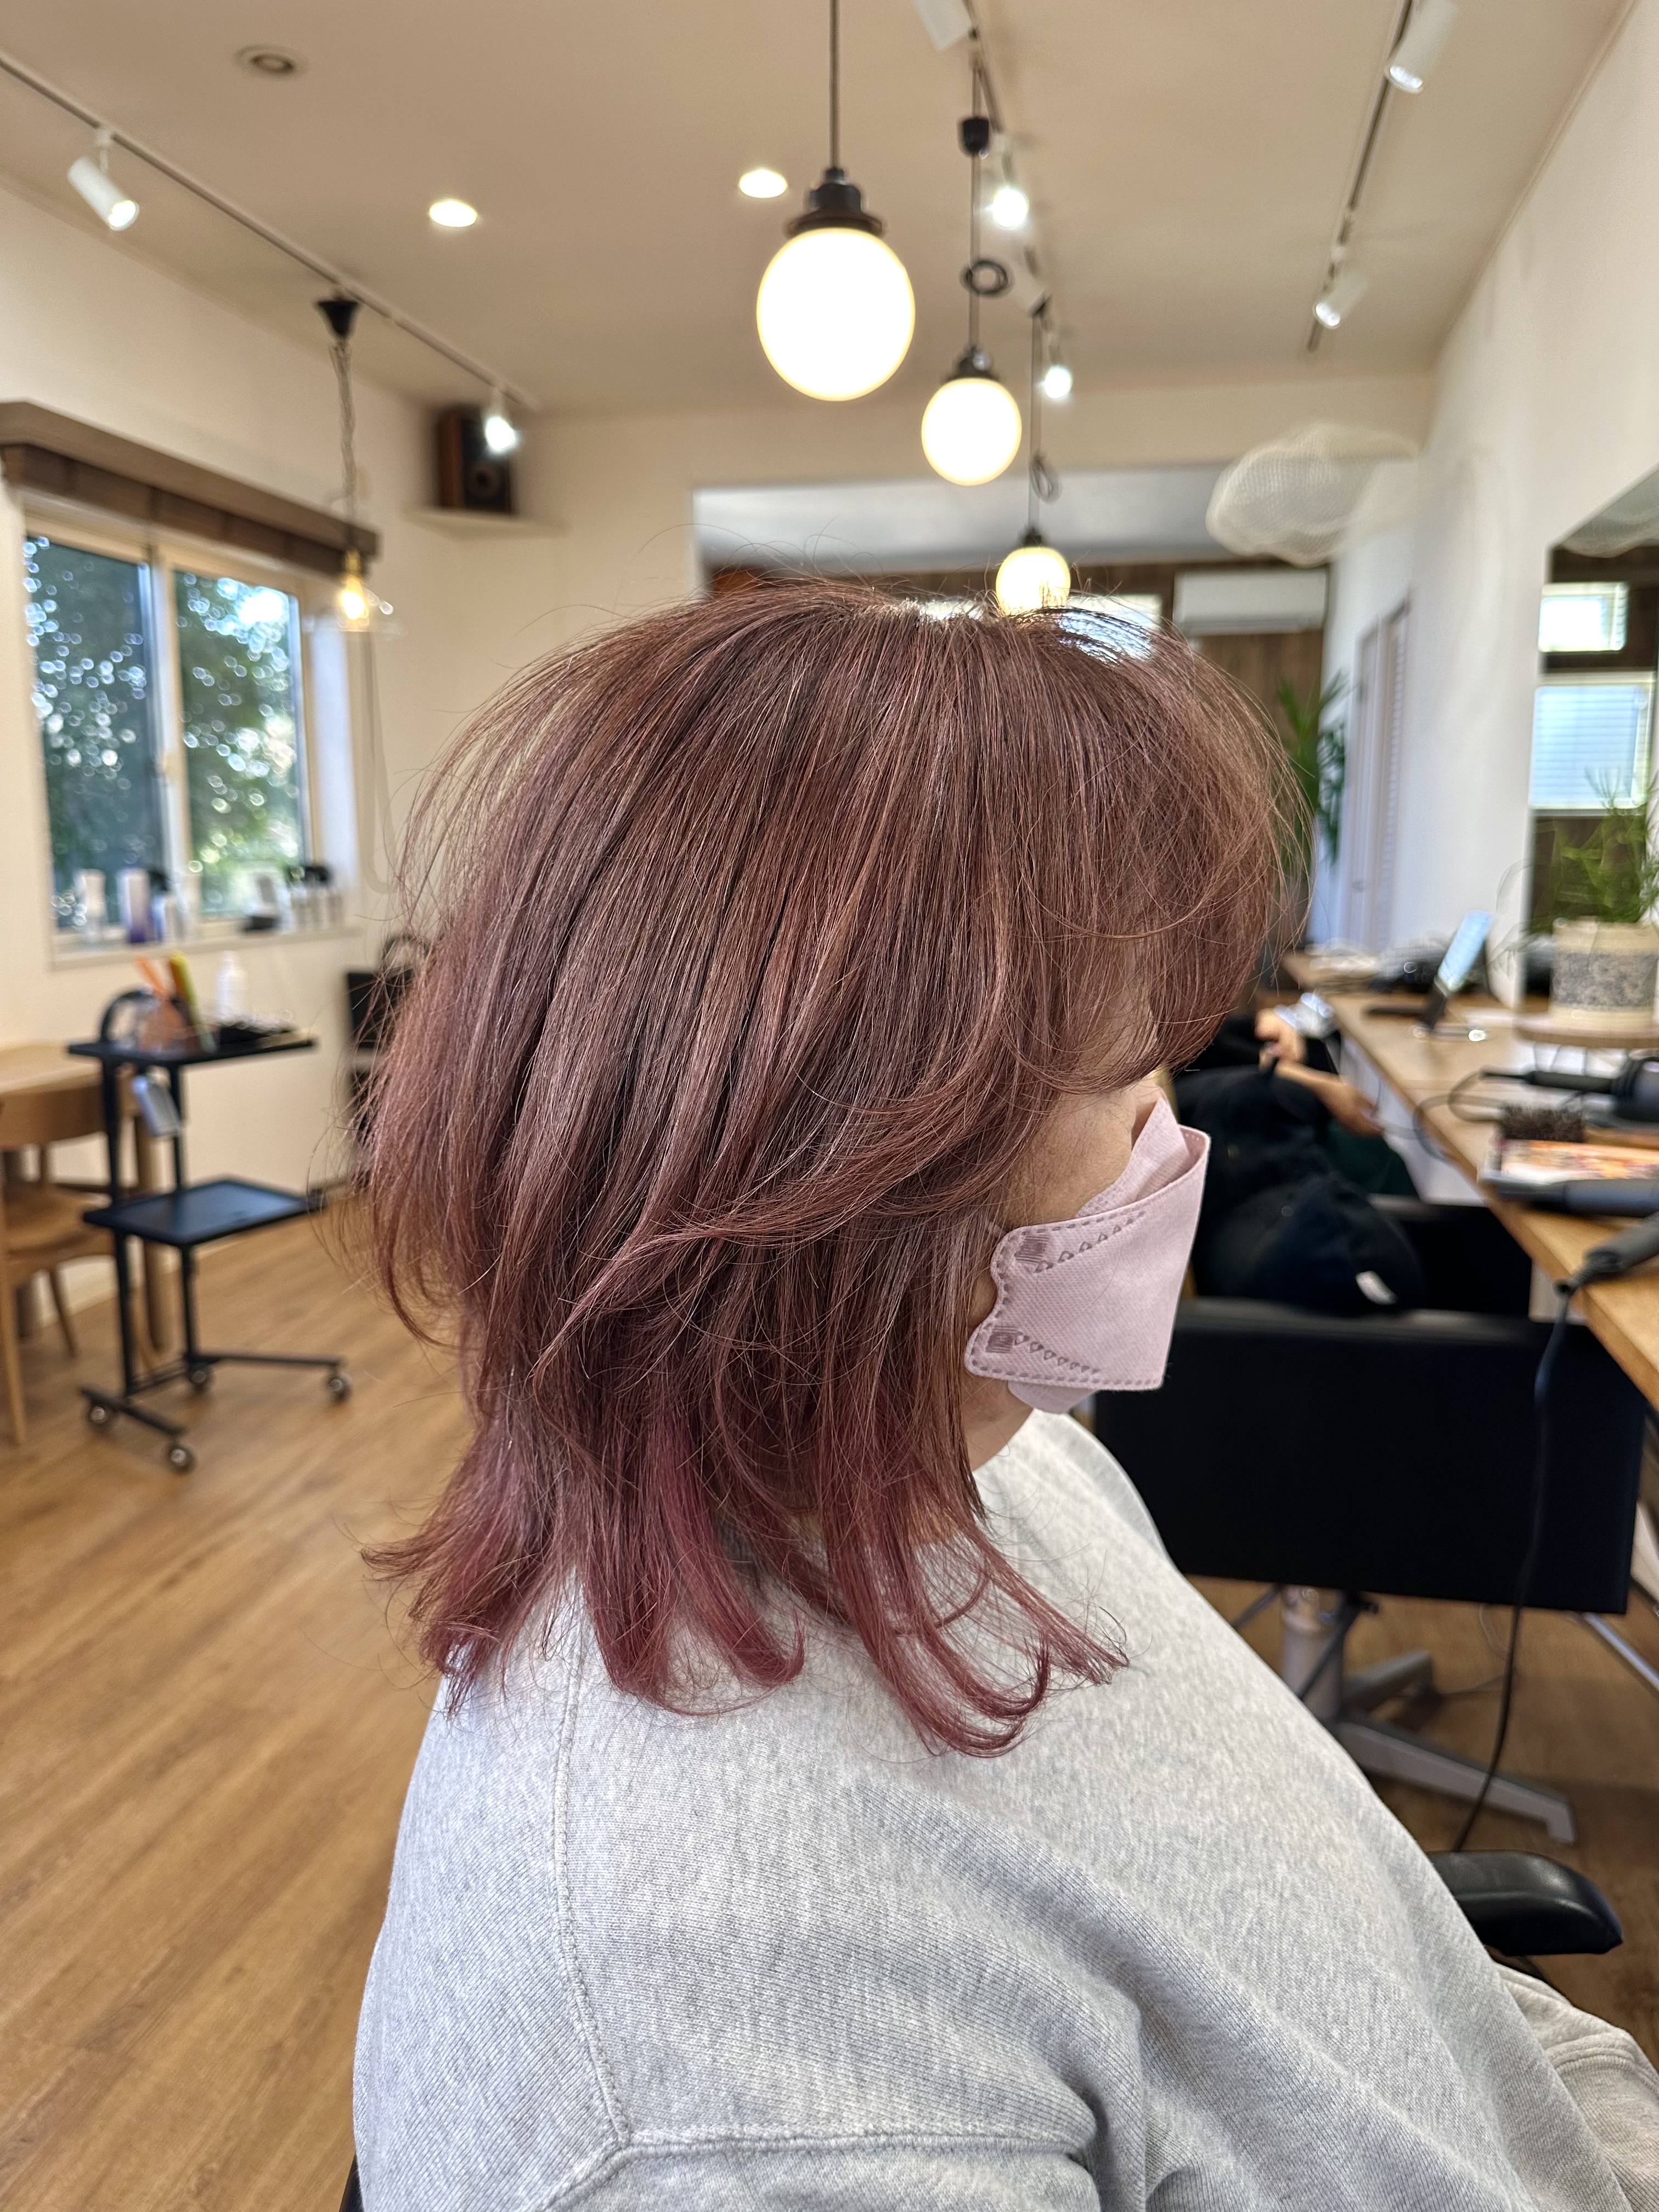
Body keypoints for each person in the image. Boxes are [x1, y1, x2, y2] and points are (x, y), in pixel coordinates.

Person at [352, 585, 1658, 2209]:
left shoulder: (1007, 1463)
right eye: (1130, 1082)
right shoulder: (726, 2073)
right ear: (852, 1167)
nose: (1177, 1145)